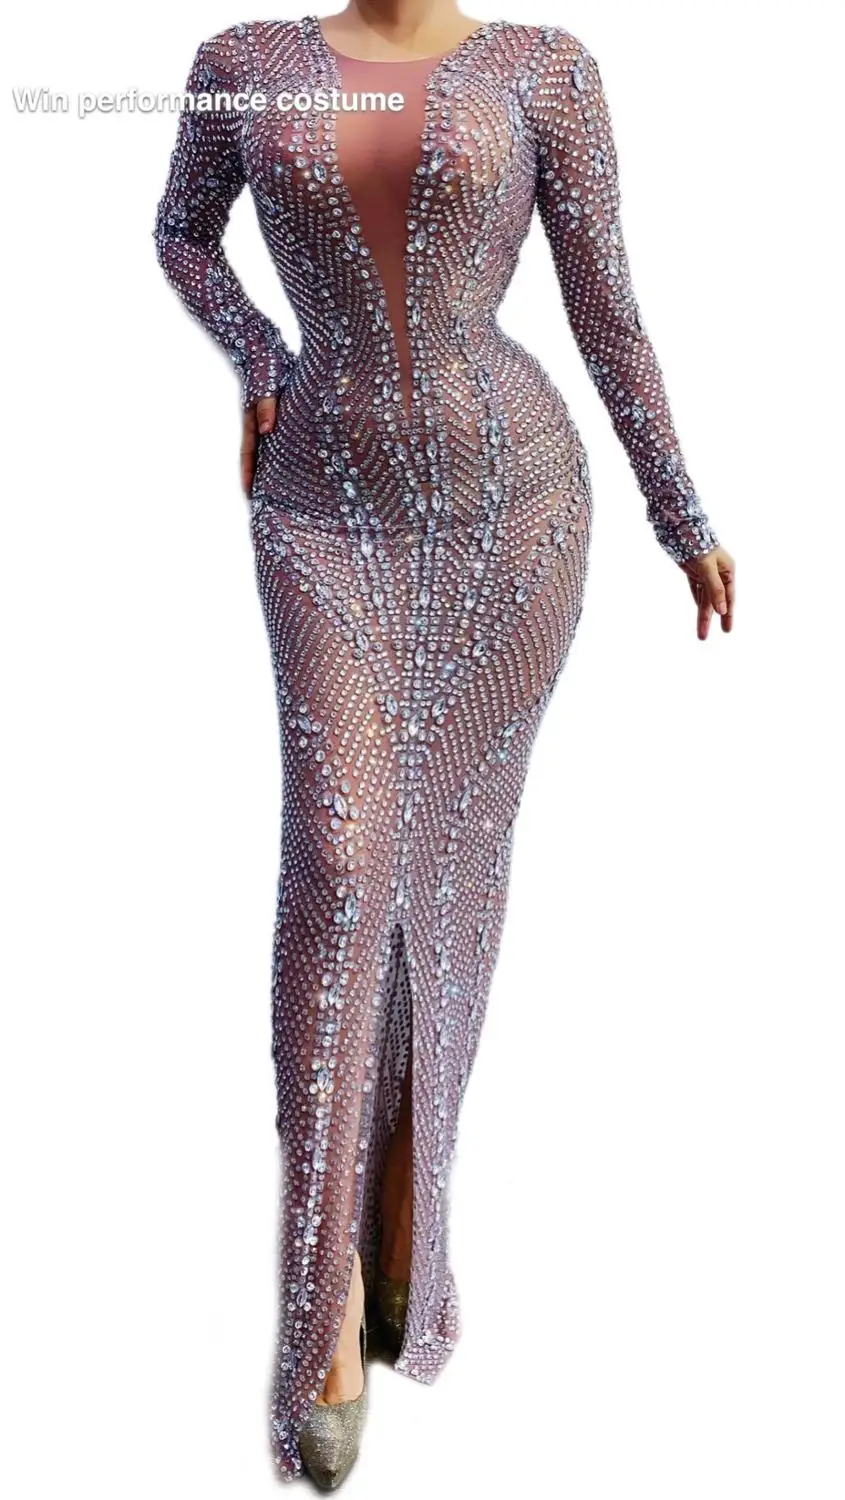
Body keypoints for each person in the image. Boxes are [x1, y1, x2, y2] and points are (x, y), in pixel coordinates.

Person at [153, 3, 734, 1487]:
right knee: (345, 865)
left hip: (512, 510)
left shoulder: (547, 72)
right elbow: (183, 236)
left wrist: (679, 511)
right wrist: (258, 357)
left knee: (451, 875)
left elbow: (606, 306)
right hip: (321, 509)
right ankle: (321, 1304)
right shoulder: (241, 64)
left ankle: (411, 1208)